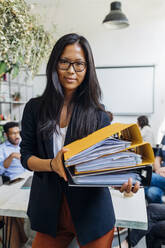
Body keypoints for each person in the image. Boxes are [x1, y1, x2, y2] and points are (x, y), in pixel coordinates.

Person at [20, 33, 139, 248]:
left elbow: (105, 164)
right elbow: (26, 156)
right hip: (49, 211)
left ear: (88, 68)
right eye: (65, 62)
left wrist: (122, 181)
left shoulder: (98, 116)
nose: (71, 71)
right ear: (55, 63)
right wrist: (51, 164)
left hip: (92, 212)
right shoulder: (34, 108)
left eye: (79, 64)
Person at [0, 122, 27, 248]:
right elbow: (1, 170)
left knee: (16, 216)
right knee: (10, 215)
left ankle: (23, 241)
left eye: (18, 132)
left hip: (29, 179)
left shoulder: (24, 144)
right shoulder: (3, 149)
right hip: (14, 182)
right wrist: (11, 157)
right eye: (13, 133)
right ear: (6, 135)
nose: (17, 136)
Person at [145, 135, 165, 203]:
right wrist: (158, 170)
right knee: (152, 193)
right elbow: (157, 158)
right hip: (160, 175)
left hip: (161, 175)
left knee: (148, 176)